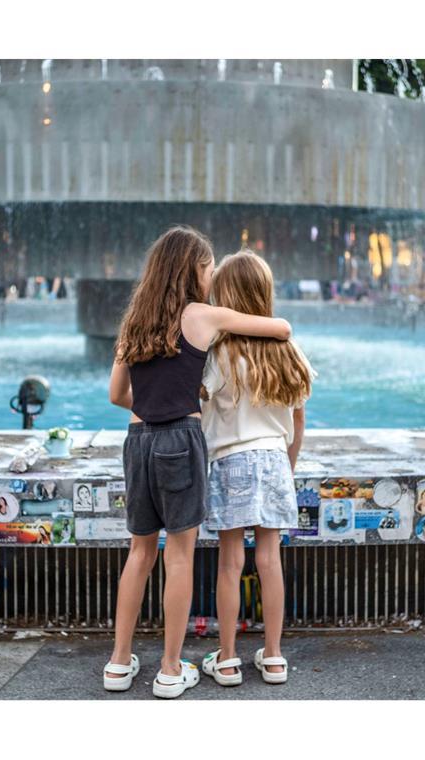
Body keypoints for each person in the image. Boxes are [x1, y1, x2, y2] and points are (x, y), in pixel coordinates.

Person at [103, 225, 293, 699]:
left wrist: (152, 399)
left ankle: (118, 662)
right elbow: (280, 328)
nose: (210, 276)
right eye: (208, 268)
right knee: (179, 556)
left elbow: (116, 395)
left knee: (139, 553)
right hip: (180, 441)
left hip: (137, 441)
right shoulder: (203, 316)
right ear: (193, 269)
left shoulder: (134, 321)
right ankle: (170, 669)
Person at [198, 250, 315, 689]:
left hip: (231, 460)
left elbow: (198, 404)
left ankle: (228, 659)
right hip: (275, 459)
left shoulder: (220, 354)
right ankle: (274, 656)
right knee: (269, 559)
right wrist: (289, 465)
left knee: (231, 562)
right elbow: (298, 419)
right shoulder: (288, 349)